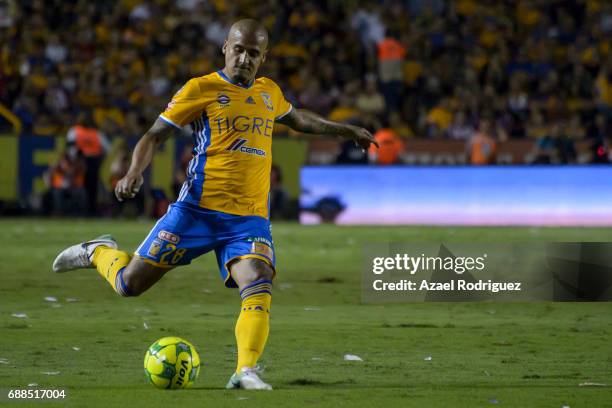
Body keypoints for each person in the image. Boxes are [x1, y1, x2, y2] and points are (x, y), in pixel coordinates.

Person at [52, 19, 377, 391]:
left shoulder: (269, 92)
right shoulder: (201, 88)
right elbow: (154, 135)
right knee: (129, 285)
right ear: (225, 47)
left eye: (253, 53)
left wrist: (345, 129)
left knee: (258, 280)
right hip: (196, 213)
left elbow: (298, 118)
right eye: (238, 49)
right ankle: (99, 252)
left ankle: (245, 370)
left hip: (248, 219)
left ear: (263, 57)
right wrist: (133, 172)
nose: (244, 58)